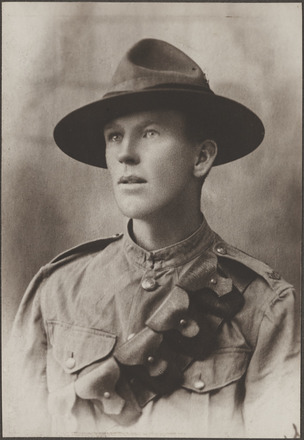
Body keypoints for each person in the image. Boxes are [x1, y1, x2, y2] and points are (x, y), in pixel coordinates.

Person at [5, 38, 300, 438]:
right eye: (113, 136)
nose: (125, 153)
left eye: (150, 133)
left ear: (201, 157)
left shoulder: (263, 306)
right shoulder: (57, 291)